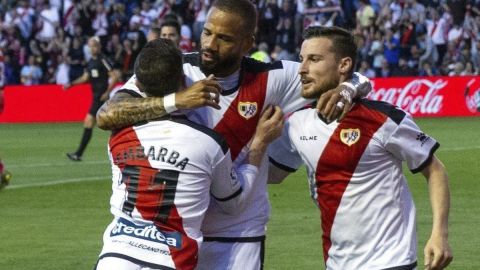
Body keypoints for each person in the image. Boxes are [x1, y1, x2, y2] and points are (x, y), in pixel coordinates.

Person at [96, 1, 372, 268]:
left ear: (247, 43)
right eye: (207, 32)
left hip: (238, 234)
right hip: (176, 235)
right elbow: (108, 114)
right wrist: (178, 100)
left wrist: (347, 89)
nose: (209, 45)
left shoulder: (272, 79)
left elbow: (353, 77)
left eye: (224, 38)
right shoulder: (177, 69)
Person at [268, 26, 453, 270]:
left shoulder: (383, 119)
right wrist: (260, 141)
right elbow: (273, 174)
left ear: (343, 65)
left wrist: (439, 234)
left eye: (314, 59)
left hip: (391, 260)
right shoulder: (296, 124)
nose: (302, 69)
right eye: (302, 59)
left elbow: (435, 170)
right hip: (337, 262)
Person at [95, 38, 284, 270]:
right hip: (170, 261)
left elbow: (108, 114)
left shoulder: (118, 136)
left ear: (138, 85)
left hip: (114, 258)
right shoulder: (208, 144)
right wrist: (258, 145)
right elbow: (234, 204)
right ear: (184, 80)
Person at [65, 36, 119, 161]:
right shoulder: (90, 62)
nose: (92, 48)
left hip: (101, 97)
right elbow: (85, 78)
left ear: (99, 47)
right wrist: (71, 84)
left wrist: (107, 92)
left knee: (92, 122)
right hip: (96, 97)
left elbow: (115, 76)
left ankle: (78, 153)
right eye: (91, 46)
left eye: (95, 46)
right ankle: (78, 154)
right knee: (107, 124)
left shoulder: (103, 59)